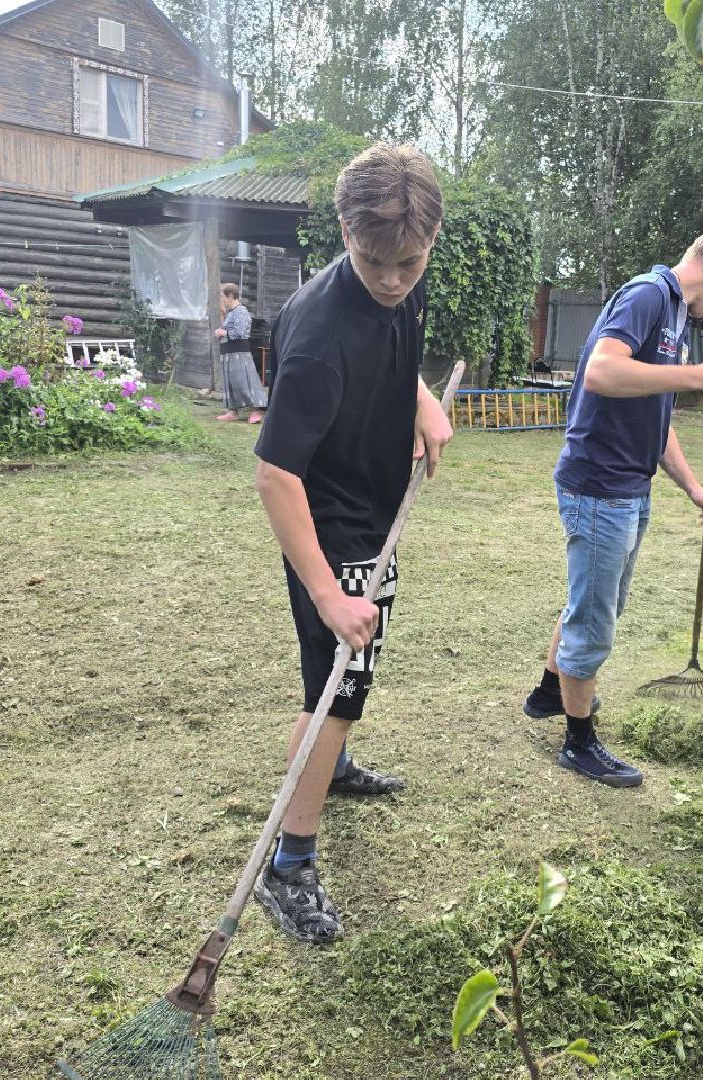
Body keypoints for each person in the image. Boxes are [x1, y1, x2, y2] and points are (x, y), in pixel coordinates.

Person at [252, 143, 453, 944]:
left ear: (429, 240)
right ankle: (289, 863)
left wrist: (423, 400)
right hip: (327, 525)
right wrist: (328, 593)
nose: (395, 280)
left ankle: (331, 769)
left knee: (354, 677)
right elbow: (274, 476)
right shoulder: (316, 335)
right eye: (377, 263)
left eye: (411, 263)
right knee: (334, 690)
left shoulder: (400, 281)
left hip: (376, 507)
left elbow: (394, 353)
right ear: (345, 232)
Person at [522, 227, 703, 788]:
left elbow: (657, 418)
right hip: (599, 487)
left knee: (596, 603)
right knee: (593, 619)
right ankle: (579, 743)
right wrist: (700, 377)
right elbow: (601, 372)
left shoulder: (675, 315)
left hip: (629, 485)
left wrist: (694, 488)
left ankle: (549, 692)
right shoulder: (648, 295)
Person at [216, 282, 266, 423]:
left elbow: (239, 331)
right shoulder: (231, 312)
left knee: (245, 382)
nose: (223, 300)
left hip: (239, 354)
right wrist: (220, 331)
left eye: (224, 297)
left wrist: (222, 332)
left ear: (231, 296)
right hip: (228, 353)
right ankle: (233, 412)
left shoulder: (241, 311)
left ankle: (255, 411)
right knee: (231, 384)